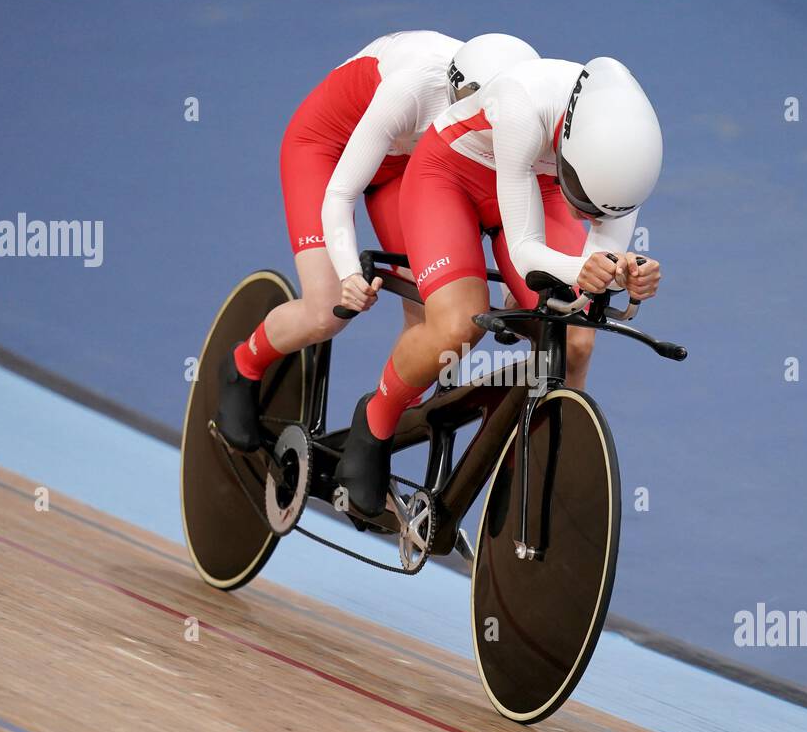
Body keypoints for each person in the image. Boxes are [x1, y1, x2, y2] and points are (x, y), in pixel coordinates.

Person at [336, 56, 664, 516]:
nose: (589, 212)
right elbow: (527, 249)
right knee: (457, 326)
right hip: (449, 177)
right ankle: (374, 422)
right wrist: (582, 272)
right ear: (570, 143)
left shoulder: (627, 161)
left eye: (599, 207)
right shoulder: (522, 104)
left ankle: (543, 453)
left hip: (542, 183)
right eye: (584, 200)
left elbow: (598, 268)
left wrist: (625, 274)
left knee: (576, 341)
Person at [214, 31, 540, 451]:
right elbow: (341, 195)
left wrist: (516, 282)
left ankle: (380, 433)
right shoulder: (412, 90)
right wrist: (349, 273)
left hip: (403, 162)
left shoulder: (505, 107)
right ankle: (241, 366)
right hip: (326, 151)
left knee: (432, 312)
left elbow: (505, 200)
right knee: (325, 311)